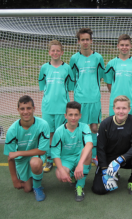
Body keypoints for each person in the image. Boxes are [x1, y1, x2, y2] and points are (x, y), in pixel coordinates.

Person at [92, 95, 132, 195]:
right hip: (109, 159)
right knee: (99, 190)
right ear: (113, 109)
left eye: (124, 108)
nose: (121, 111)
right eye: (118, 108)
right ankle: (112, 173)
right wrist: (104, 170)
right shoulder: (105, 124)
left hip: (126, 158)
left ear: (129, 109)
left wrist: (120, 159)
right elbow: (100, 148)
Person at [69, 28, 105, 167]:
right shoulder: (74, 58)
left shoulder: (98, 58)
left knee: (94, 128)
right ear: (78, 41)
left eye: (87, 39)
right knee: (80, 128)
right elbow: (72, 78)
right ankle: (81, 154)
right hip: (80, 99)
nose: (85, 42)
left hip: (94, 98)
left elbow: (101, 76)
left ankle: (94, 155)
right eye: (82, 40)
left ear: (91, 41)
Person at [3, 95, 50, 202]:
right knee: (27, 189)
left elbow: (42, 150)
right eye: (22, 109)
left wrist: (19, 153)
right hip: (22, 160)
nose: (26, 112)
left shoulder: (43, 125)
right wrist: (14, 179)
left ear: (34, 109)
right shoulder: (12, 130)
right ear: (18, 110)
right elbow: (10, 157)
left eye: (29, 108)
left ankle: (37, 187)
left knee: (35, 163)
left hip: (36, 155)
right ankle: (33, 177)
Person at [39, 40, 74, 173]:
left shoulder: (67, 68)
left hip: (62, 107)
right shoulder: (44, 68)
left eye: (58, 50)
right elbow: (43, 87)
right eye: (53, 50)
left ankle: (60, 158)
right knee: (49, 134)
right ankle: (49, 159)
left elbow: (70, 87)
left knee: (60, 133)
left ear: (62, 52)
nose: (55, 53)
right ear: (49, 52)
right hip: (48, 107)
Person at [51, 101, 93, 202]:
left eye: (76, 115)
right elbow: (55, 154)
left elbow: (89, 144)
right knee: (60, 175)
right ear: (65, 116)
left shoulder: (84, 127)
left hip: (79, 157)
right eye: (70, 115)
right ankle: (73, 176)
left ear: (80, 116)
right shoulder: (59, 131)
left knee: (88, 152)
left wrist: (80, 164)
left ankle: (80, 186)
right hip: (66, 159)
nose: (73, 118)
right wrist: (61, 170)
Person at [104, 34, 132, 117]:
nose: (124, 47)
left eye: (127, 45)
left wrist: (131, 94)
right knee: (115, 128)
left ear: (130, 46)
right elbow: (109, 84)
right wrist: (116, 93)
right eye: (122, 45)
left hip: (131, 102)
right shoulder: (111, 63)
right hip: (115, 102)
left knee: (131, 128)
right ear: (118, 46)